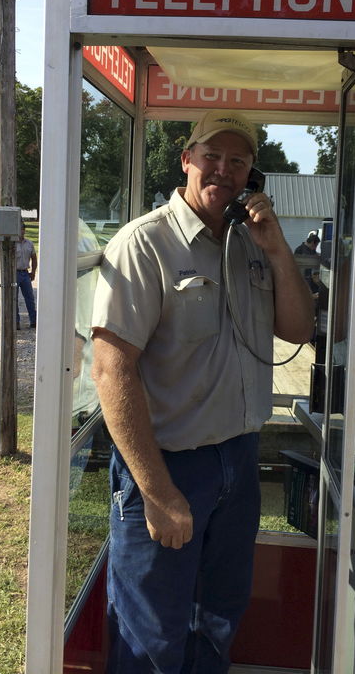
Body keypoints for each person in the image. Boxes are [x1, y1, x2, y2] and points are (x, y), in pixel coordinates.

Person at [92, 109, 315, 673]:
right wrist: (158, 490)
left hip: (238, 463)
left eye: (237, 161)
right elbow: (112, 371)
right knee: (152, 635)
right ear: (186, 159)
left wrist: (277, 249)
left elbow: (296, 329)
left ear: (251, 176)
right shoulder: (145, 244)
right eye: (211, 156)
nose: (223, 169)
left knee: (217, 619)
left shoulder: (249, 244)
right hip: (169, 465)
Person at [16, 222, 37, 329]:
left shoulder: (29, 243)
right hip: (14, 273)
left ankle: (33, 321)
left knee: (30, 297)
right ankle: (16, 322)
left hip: (25, 273)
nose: (21, 231)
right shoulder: (12, 243)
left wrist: (33, 272)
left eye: (23, 229)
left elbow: (34, 258)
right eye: (19, 229)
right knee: (13, 298)